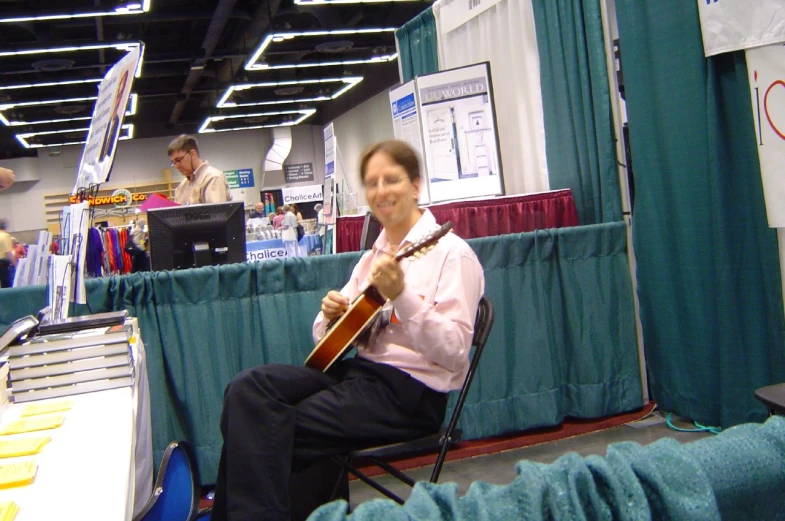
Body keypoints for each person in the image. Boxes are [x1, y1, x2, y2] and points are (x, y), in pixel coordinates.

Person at [211, 140, 485, 521]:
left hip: (410, 395)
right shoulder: (373, 257)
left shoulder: (453, 254)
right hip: (358, 375)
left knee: (266, 426)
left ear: (416, 186)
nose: (380, 191)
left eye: (391, 179)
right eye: (371, 183)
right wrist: (329, 317)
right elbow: (328, 342)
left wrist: (402, 296)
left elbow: (455, 352)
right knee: (246, 392)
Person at [168, 134, 232, 206]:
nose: (176, 166)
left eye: (178, 160)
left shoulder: (213, 178)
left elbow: (217, 215)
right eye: (173, 163)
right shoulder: (181, 187)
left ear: (193, 154)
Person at [0, 219, 14, 288]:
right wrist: (14, 263)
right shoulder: (5, 236)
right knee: (6, 285)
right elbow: (8, 252)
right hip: (3, 262)